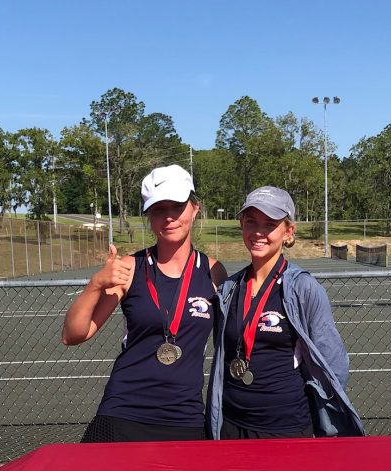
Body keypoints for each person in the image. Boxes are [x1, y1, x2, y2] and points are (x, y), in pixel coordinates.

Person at [62, 164, 227, 442]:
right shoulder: (128, 268)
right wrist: (96, 284)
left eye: (177, 206)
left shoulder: (214, 272)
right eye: (158, 209)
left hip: (184, 417)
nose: (169, 218)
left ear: (195, 207)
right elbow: (73, 334)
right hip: (124, 411)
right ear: (148, 216)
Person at [207, 186, 363, 439]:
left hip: (285, 427)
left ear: (288, 231)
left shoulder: (303, 287)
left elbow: (334, 362)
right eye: (251, 222)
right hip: (231, 424)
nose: (258, 232)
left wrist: (324, 409)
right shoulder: (229, 288)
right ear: (241, 225)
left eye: (269, 224)